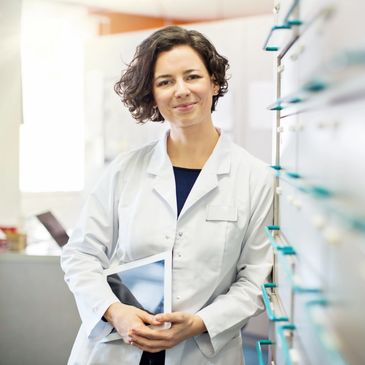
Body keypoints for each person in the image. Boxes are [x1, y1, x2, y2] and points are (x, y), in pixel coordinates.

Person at [61, 25, 273, 365]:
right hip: (117, 346)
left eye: (192, 77)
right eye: (165, 82)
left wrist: (200, 323)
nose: (181, 91)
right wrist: (115, 312)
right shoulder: (124, 170)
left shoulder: (255, 178)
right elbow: (81, 254)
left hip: (200, 350)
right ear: (153, 95)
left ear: (214, 83)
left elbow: (255, 279)